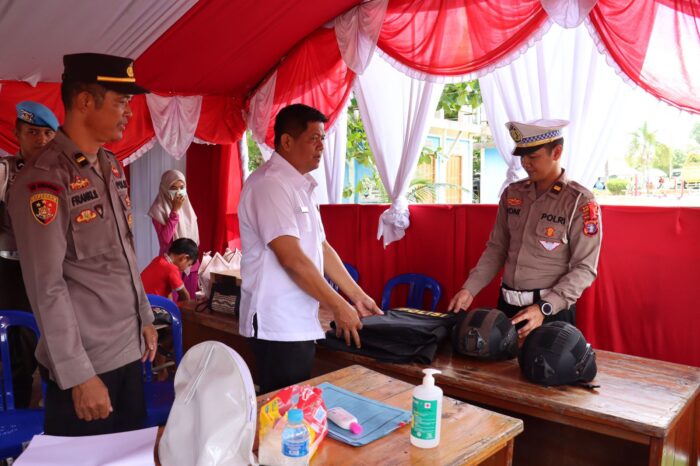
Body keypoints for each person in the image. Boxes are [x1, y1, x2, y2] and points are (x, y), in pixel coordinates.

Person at [8, 53, 157, 436]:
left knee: (130, 458)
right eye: (121, 102)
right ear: (86, 102)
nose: (128, 113)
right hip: (87, 366)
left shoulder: (109, 165)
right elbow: (47, 287)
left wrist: (144, 316)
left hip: (127, 350)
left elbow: (125, 250)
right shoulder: (44, 181)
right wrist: (78, 376)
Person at [238, 103, 383, 394]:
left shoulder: (300, 185)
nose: (321, 147)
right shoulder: (270, 185)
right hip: (276, 324)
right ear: (287, 141)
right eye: (313, 139)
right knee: (283, 417)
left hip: (298, 321)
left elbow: (321, 248)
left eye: (323, 139)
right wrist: (338, 305)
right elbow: (291, 259)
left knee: (295, 413)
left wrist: (356, 296)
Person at [448, 119, 602, 341]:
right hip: (507, 308)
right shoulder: (513, 194)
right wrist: (470, 289)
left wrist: (544, 308)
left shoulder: (579, 202)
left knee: (543, 371)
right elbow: (496, 249)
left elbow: (585, 268)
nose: (526, 163)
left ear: (556, 152)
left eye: (533, 156)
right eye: (522, 156)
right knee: (499, 372)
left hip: (550, 313)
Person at [0, 101, 58, 408]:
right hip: (14, 273)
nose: (42, 140)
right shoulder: (5, 172)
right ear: (18, 134)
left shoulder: (66, 174)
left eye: (48, 134)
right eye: (33, 132)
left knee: (58, 349)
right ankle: (18, 425)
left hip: (56, 273)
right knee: (18, 354)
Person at [148, 169, 200, 298]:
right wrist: (175, 211)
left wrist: (191, 259)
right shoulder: (158, 210)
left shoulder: (188, 207)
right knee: (174, 303)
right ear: (165, 188)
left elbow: (195, 237)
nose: (178, 192)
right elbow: (166, 239)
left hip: (190, 263)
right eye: (173, 188)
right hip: (171, 264)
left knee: (190, 302)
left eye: (182, 187)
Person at [141, 237, 198, 301]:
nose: (186, 268)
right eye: (188, 265)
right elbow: (184, 295)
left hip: (142, 302)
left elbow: (168, 292)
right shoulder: (172, 269)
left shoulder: (158, 259)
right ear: (184, 258)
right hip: (153, 306)